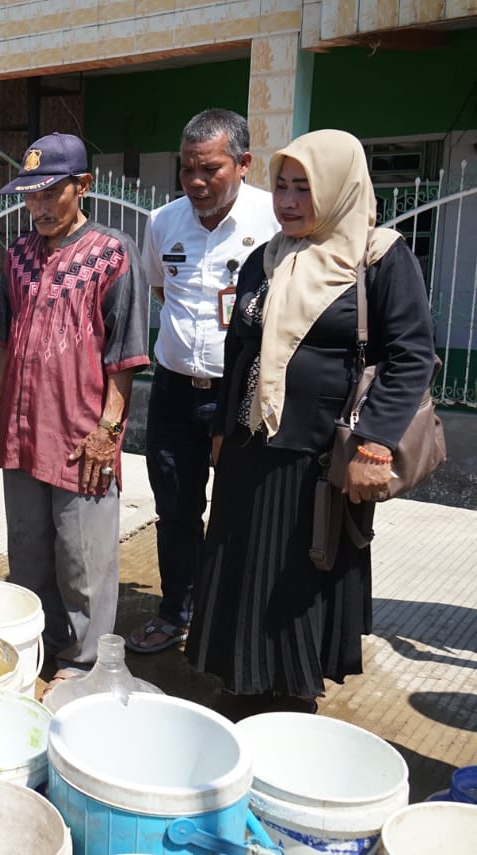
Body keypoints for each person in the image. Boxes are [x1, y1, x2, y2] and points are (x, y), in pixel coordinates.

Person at [185, 130, 435, 709]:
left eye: (304, 188)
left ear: (338, 189)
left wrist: (375, 446)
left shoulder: (378, 258)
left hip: (323, 459)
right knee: (243, 572)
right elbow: (239, 353)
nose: (289, 201)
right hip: (251, 450)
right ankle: (241, 684)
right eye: (281, 186)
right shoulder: (264, 259)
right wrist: (224, 432)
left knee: (294, 578)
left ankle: (289, 702)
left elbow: (411, 357)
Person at [0, 133, 150, 689]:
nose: (41, 207)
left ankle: (84, 666)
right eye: (31, 196)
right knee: (27, 555)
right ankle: (38, 648)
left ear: (83, 187)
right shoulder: (17, 256)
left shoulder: (112, 253)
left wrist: (107, 430)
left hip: (80, 434)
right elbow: (9, 342)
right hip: (24, 430)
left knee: (83, 563)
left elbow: (124, 355)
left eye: (52, 192)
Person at [124, 110, 279, 655]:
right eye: (187, 169)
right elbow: (164, 292)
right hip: (172, 392)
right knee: (176, 511)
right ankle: (176, 613)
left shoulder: (272, 222)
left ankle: (232, 618)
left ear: (243, 164)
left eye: (209, 169)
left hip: (241, 396)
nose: (195, 182)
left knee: (244, 510)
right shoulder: (165, 222)